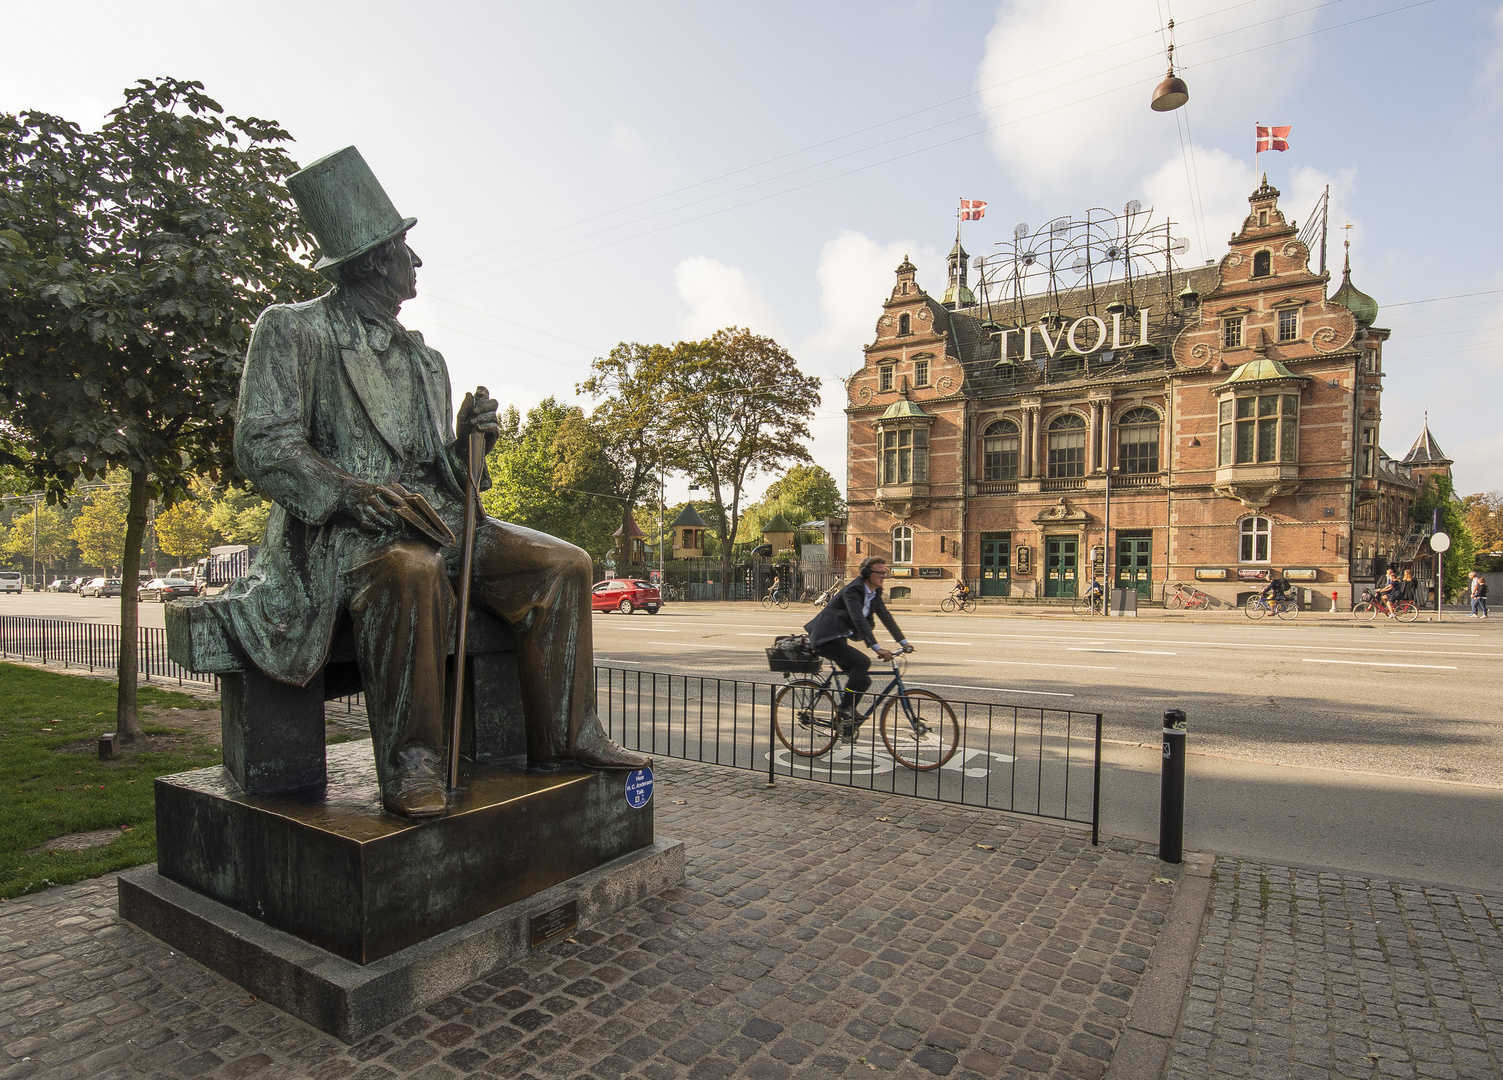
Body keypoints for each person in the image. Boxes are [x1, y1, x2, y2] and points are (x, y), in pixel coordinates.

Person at [218, 147, 647, 819]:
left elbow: (447, 477)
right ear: (369, 261)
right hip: (343, 534)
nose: (415, 263)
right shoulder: (293, 330)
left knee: (566, 564)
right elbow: (264, 445)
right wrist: (353, 493)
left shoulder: (425, 357)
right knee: (410, 572)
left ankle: (569, 739)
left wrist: (470, 440)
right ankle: (412, 762)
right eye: (403, 250)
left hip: (437, 519)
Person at [803, 556, 913, 738]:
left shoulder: (874, 593)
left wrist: (903, 642)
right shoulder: (852, 591)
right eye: (880, 573)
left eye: (885, 573)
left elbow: (886, 617)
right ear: (866, 573)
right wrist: (876, 648)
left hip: (839, 638)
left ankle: (844, 721)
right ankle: (845, 708)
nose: (883, 576)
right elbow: (858, 619)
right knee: (862, 663)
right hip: (825, 638)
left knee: (863, 680)